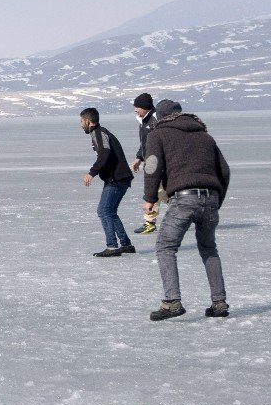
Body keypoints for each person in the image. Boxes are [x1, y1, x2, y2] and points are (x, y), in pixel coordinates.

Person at [143, 100, 231, 321]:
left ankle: (172, 302)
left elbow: (152, 166)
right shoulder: (205, 136)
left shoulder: (158, 134)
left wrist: (149, 198)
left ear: (160, 117)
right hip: (210, 197)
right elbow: (224, 170)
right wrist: (216, 200)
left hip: (184, 198)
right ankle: (219, 302)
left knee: (165, 247)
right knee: (209, 248)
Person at [79, 108, 135, 257]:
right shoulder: (99, 133)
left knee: (103, 211)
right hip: (119, 178)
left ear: (89, 122)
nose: (81, 124)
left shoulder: (99, 133)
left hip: (116, 179)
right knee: (110, 212)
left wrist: (92, 173)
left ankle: (112, 247)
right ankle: (126, 245)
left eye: (82, 121)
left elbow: (104, 154)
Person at [130, 93, 161, 235]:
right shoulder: (144, 120)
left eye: (137, 107)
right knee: (158, 192)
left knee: (155, 191)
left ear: (145, 107)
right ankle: (150, 222)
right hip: (150, 161)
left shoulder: (155, 120)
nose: (135, 110)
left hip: (157, 164)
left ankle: (150, 223)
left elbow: (159, 143)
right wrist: (139, 158)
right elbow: (145, 143)